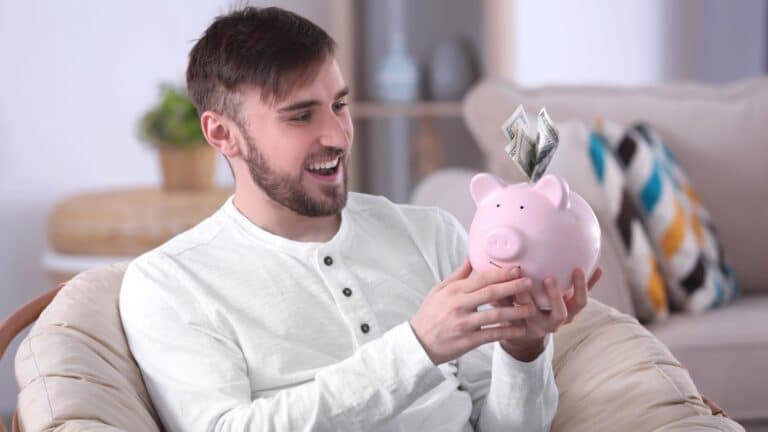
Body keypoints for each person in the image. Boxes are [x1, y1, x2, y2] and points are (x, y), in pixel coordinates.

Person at [119, 6, 602, 432]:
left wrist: (524, 353)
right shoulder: (169, 283)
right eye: (301, 116)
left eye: (339, 105)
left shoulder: (430, 233)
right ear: (223, 134)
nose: (337, 135)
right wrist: (417, 348)